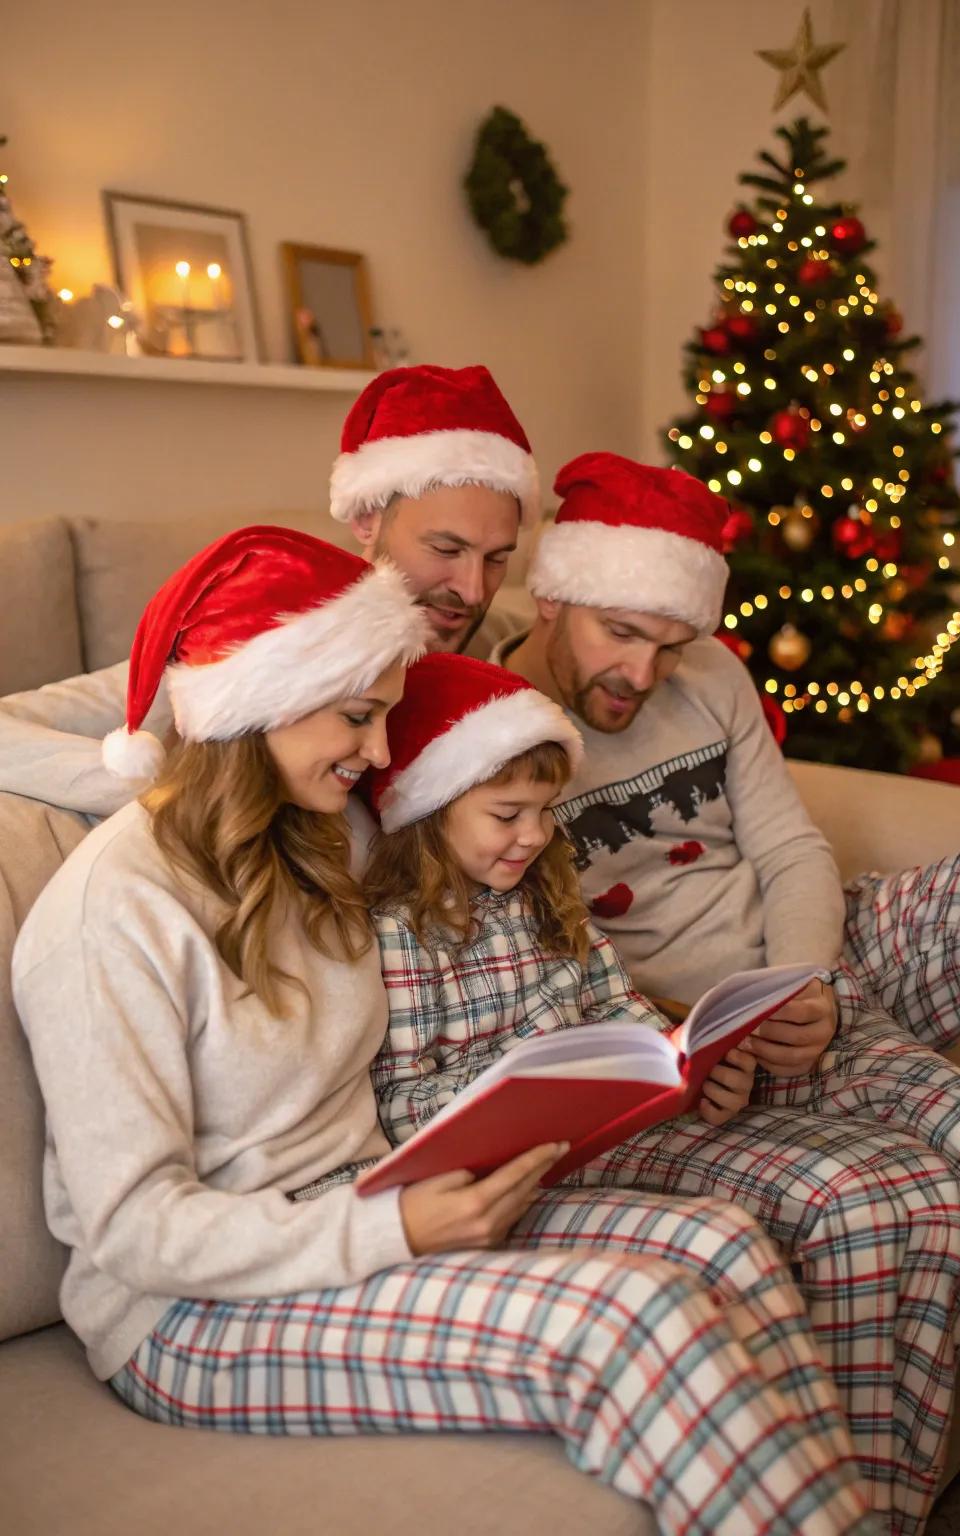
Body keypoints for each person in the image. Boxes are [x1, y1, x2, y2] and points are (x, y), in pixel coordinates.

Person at [12, 524, 880, 1536]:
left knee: (723, 1245)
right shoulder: (112, 914)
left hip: (378, 1202)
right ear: (259, 704)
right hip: (189, 1315)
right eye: (356, 717)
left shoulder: (322, 834)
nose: (381, 753)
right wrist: (395, 1227)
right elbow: (134, 1230)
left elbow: (488, 808)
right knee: (637, 1320)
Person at [496, 452, 960, 1536]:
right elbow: (549, 955)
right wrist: (683, 1040)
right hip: (696, 1027)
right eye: (617, 634)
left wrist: (808, 977)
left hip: (804, 961)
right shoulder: (500, 735)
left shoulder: (711, 677)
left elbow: (789, 848)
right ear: (552, 595)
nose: (641, 669)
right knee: (940, 1139)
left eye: (667, 641)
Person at [0, 363, 537, 819]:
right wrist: (164, 790)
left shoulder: (499, 642)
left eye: (497, 559)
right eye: (445, 550)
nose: (472, 590)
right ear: (368, 518)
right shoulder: (268, 638)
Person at [363, 651, 757, 1146]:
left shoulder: (542, 890)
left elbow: (616, 1004)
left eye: (546, 809)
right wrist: (533, 1094)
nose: (534, 835)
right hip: (525, 1154)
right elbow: (401, 1105)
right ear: (430, 814)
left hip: (618, 1118)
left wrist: (686, 1066)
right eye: (508, 816)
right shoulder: (404, 931)